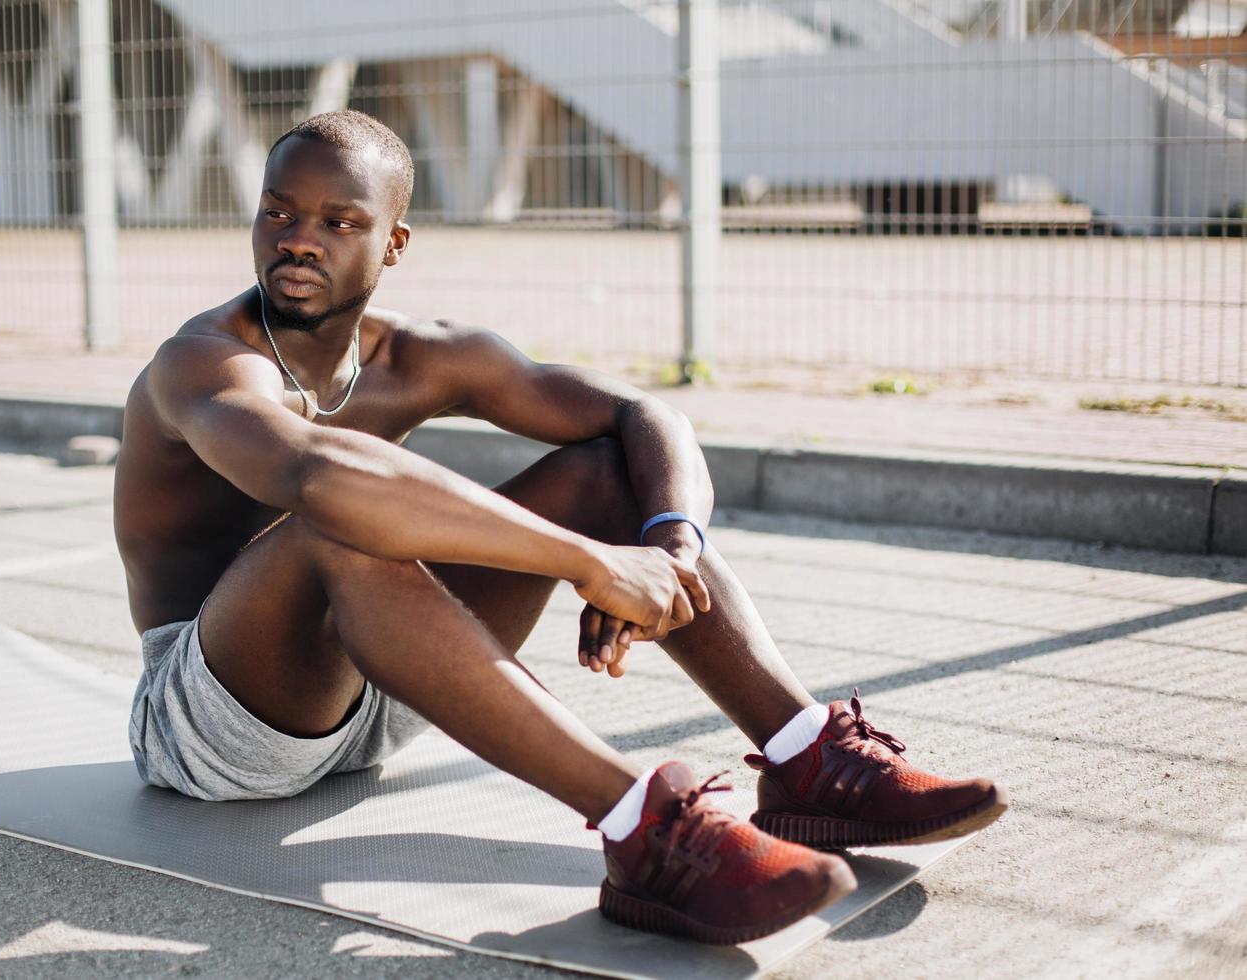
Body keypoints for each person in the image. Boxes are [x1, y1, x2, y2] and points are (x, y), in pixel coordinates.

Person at [114, 109, 1007, 945]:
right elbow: (313, 473)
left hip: (384, 683)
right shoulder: (203, 362)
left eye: (339, 221)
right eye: (278, 212)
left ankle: (807, 760)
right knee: (334, 520)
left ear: (394, 243)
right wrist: (588, 565)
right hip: (214, 725)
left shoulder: (419, 355)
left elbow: (643, 416)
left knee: (604, 473)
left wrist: (667, 551)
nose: (298, 238)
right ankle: (645, 833)